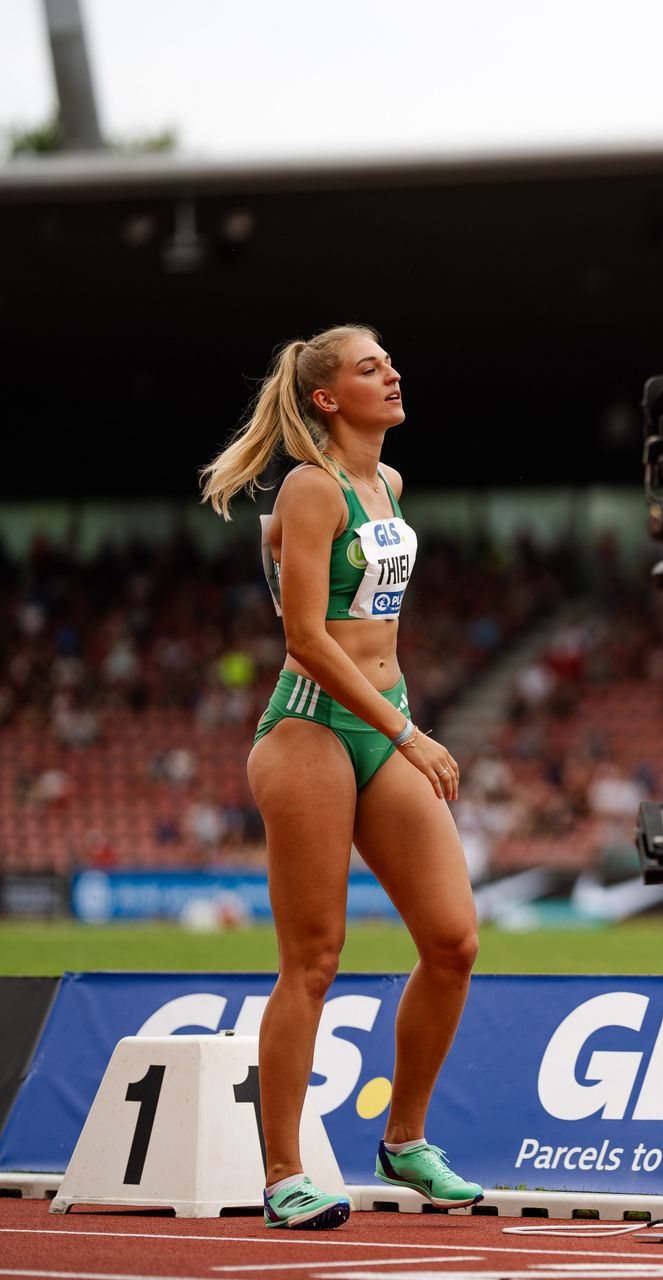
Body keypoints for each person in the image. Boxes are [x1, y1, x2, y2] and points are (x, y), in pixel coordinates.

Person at [199, 326, 484, 1230]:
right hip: (311, 732)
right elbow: (307, 642)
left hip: (379, 724)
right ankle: (285, 1170)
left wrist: (396, 725)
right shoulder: (311, 489)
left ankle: (403, 1141)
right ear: (326, 399)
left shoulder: (387, 484)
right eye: (370, 367)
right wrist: (407, 733)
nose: (393, 372)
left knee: (454, 941)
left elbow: (372, 619)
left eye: (391, 360)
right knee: (314, 961)